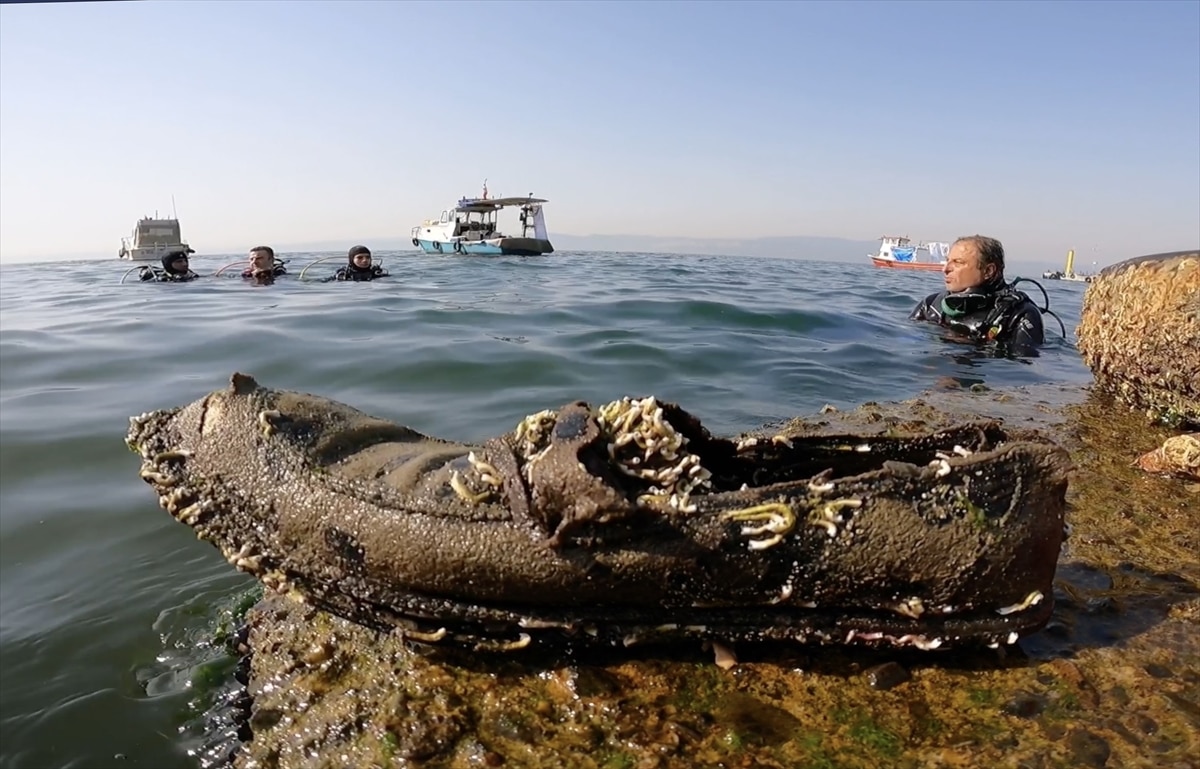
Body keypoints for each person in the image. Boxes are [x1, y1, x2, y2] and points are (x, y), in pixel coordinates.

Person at [909, 235, 1045, 352]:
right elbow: (906, 343)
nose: (945, 269)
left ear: (988, 271)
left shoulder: (1019, 315)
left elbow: (1022, 372)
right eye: (947, 260)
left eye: (958, 262)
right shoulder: (931, 304)